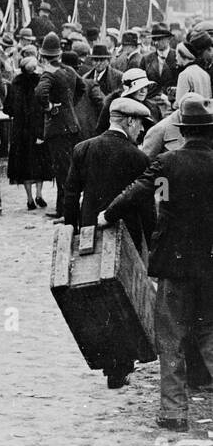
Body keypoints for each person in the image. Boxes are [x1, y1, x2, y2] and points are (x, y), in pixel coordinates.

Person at [100, 95, 213, 432]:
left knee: (171, 337)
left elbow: (142, 191)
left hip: (174, 263)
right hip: (210, 262)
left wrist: (108, 213)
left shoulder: (167, 164)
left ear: (182, 130)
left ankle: (174, 413)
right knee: (209, 333)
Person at [62, 98, 154, 385]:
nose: (141, 130)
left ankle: (110, 361)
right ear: (129, 121)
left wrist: (72, 230)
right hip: (127, 234)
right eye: (140, 124)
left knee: (97, 296)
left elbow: (70, 194)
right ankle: (124, 361)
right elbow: (146, 207)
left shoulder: (83, 149)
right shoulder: (138, 157)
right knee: (126, 296)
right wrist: (152, 242)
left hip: (91, 233)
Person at [35, 34, 84, 220]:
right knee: (69, 169)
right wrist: (69, 106)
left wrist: (50, 108)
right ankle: (62, 208)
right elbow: (82, 88)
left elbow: (40, 94)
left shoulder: (49, 72)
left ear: (43, 55)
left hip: (57, 130)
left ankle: (67, 212)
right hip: (72, 126)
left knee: (62, 172)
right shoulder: (69, 70)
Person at [142, 25, 178, 91]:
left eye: (159, 39)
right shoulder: (146, 59)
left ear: (169, 39)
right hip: (151, 99)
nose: (156, 42)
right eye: (154, 39)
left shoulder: (178, 57)